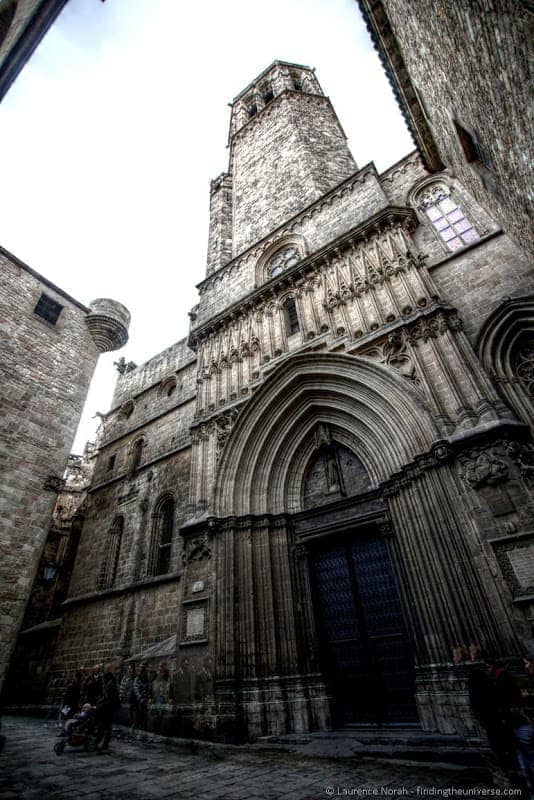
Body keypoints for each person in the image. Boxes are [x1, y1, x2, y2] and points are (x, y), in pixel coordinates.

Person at [468, 649, 522, 770]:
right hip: (493, 715)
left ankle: (509, 765)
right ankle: (509, 765)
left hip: (496, 715)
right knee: (501, 743)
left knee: (502, 743)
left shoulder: (490, 675)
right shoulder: (478, 675)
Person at [95, 664, 121, 752]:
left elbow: (109, 697)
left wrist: (100, 704)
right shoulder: (110, 682)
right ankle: (102, 743)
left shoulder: (109, 684)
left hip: (107, 709)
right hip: (108, 708)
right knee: (106, 727)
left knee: (104, 727)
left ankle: (99, 743)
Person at [151, 662, 172, 735]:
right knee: (158, 714)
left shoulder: (167, 676)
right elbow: (152, 686)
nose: (162, 668)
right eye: (160, 667)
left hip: (165, 697)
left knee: (164, 714)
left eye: (163, 667)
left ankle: (162, 731)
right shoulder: (155, 675)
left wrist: (170, 697)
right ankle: (156, 731)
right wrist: (151, 697)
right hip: (157, 697)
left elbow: (170, 686)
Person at [133, 662, 151, 739]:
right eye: (142, 668)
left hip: (145, 700)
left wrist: (147, 696)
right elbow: (136, 688)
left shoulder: (147, 678)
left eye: (144, 668)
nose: (143, 670)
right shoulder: (137, 678)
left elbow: (149, 687)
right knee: (139, 717)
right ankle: (138, 732)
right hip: (139, 701)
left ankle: (144, 733)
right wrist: (140, 697)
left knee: (145, 717)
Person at [119, 663, 138, 730]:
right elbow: (122, 686)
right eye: (129, 669)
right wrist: (121, 696)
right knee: (127, 710)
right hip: (126, 697)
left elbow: (135, 687)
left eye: (131, 669)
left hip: (133, 697)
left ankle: (133, 724)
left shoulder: (135, 677)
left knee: (133, 711)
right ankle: (127, 723)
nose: (130, 670)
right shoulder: (125, 677)